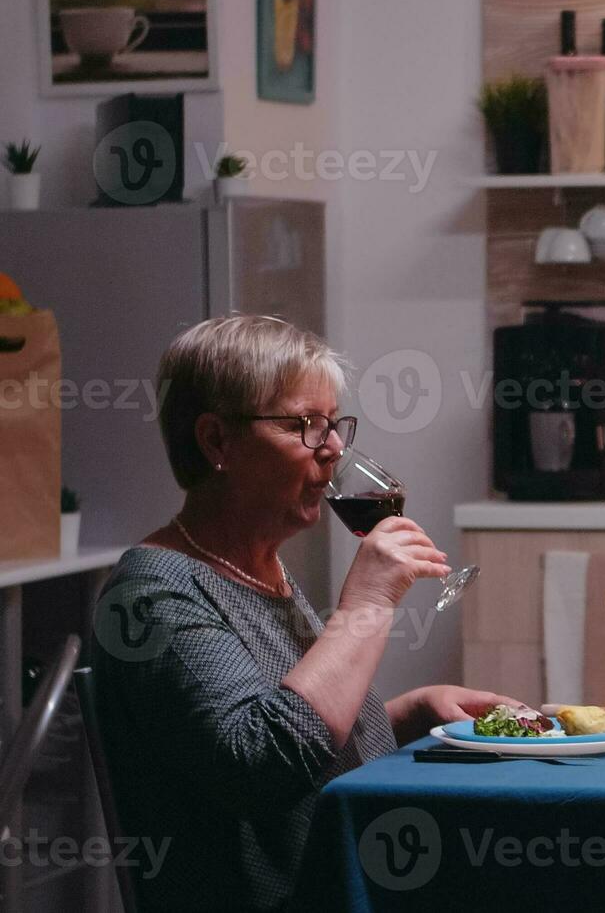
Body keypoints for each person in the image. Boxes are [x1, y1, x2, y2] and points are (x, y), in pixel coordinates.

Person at [89, 315, 525, 912]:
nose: (335, 448)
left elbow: (305, 732)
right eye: (305, 425)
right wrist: (367, 605)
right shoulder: (152, 594)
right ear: (217, 441)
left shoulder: (257, 568)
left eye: (333, 424)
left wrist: (413, 712)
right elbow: (260, 766)